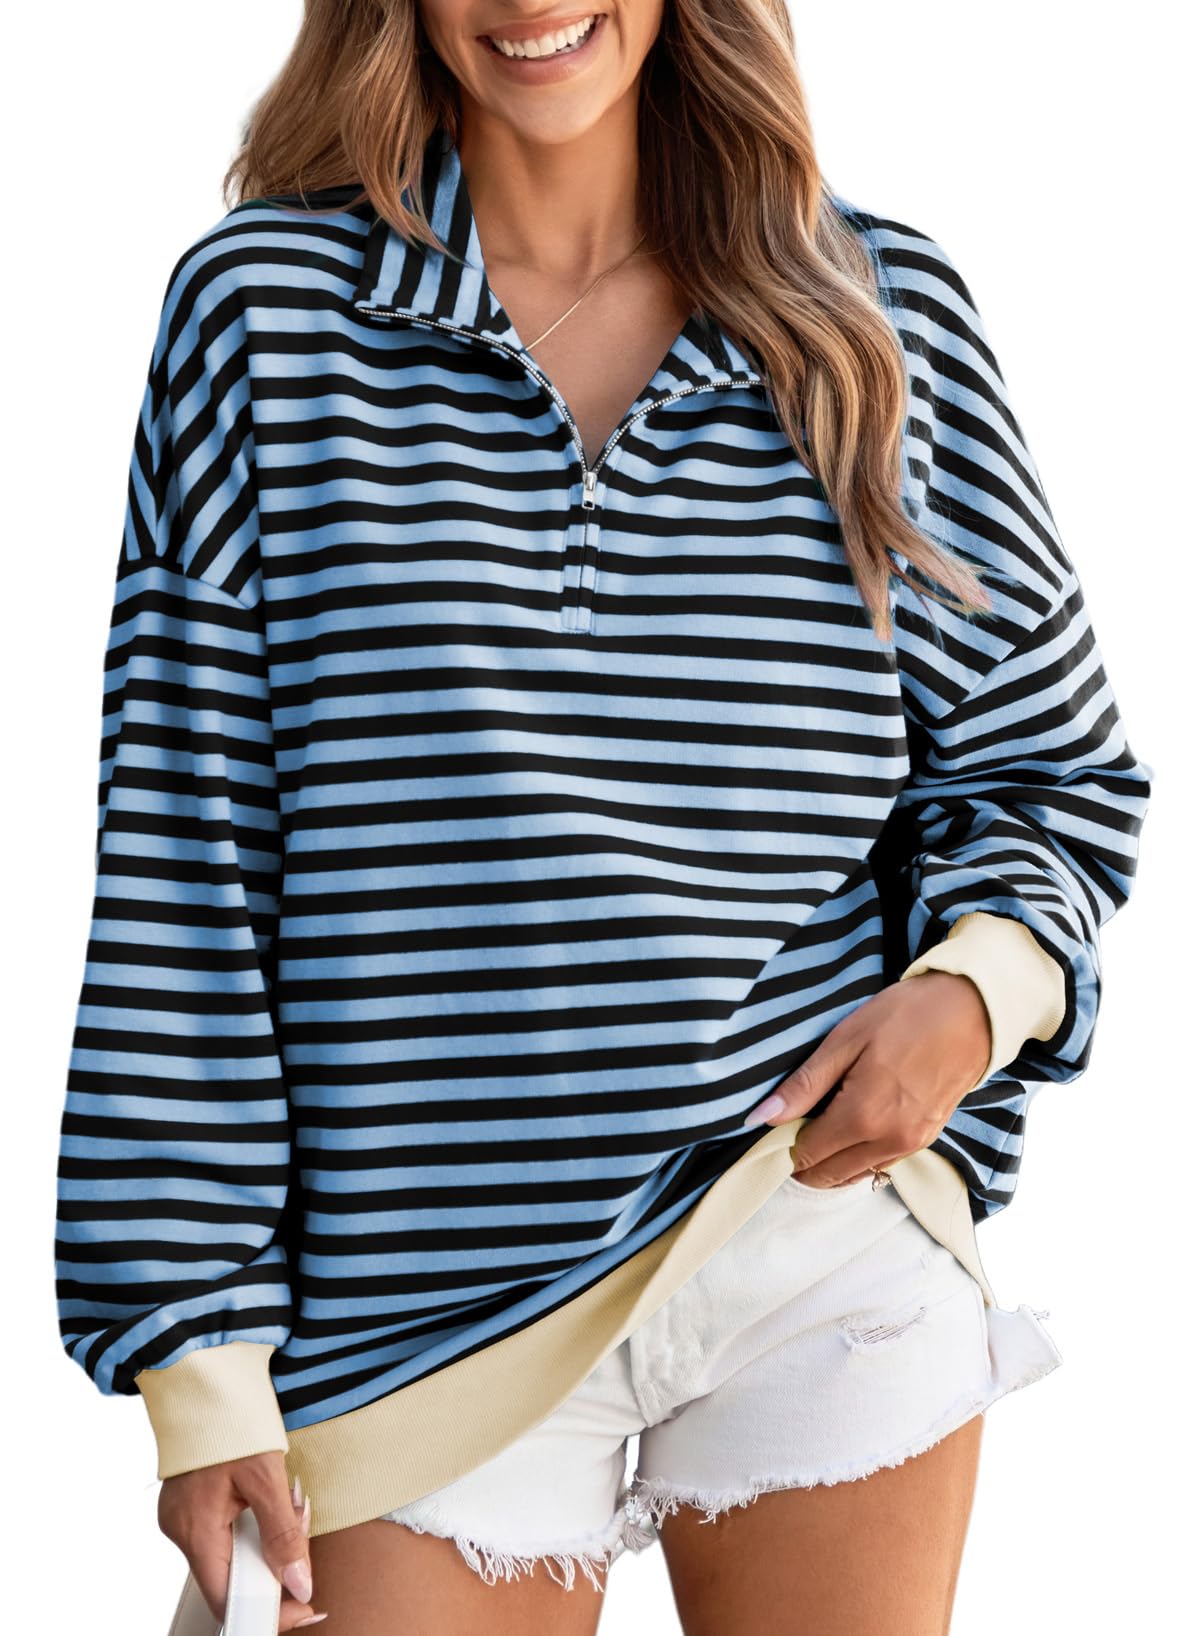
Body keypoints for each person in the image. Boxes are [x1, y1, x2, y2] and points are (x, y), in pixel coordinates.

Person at [53, 1, 1153, 1632]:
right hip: (408, 1293)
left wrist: (973, 996)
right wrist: (197, 1360)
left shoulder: (877, 312)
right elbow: (182, 851)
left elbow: (1047, 769)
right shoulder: (266, 318)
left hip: (807, 1222)